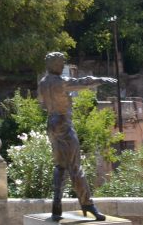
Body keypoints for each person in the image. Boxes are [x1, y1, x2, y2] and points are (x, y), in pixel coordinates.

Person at [37, 51, 116, 222]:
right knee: (75, 167)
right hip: (64, 124)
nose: (63, 65)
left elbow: (42, 103)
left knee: (59, 166)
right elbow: (82, 82)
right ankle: (87, 204)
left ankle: (56, 207)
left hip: (51, 123)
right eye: (61, 63)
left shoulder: (43, 83)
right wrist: (101, 79)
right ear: (55, 65)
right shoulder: (61, 82)